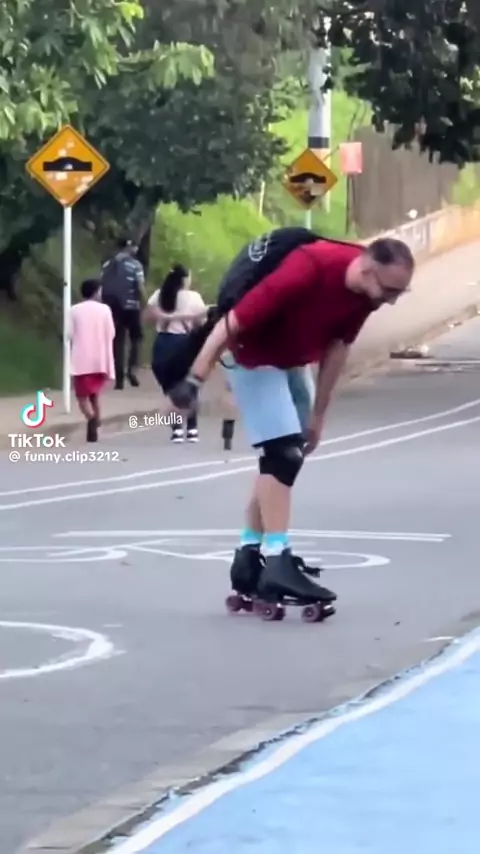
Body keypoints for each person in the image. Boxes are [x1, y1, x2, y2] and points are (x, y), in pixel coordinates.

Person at [168, 236, 415, 607]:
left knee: (284, 460)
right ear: (367, 269)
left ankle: (249, 556)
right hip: (251, 355)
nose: (391, 300)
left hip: (293, 360)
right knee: (281, 456)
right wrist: (195, 379)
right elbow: (230, 324)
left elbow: (338, 348)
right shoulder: (309, 267)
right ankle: (277, 559)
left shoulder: (365, 296)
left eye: (399, 292)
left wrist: (318, 416)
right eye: (390, 290)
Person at [144, 264, 207, 442]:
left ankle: (176, 430)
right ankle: (192, 429)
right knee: (190, 386)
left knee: (170, 389)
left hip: (163, 343)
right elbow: (201, 322)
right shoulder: (194, 297)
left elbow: (148, 317)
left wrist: (166, 318)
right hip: (184, 344)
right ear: (185, 279)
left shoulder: (158, 295)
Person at [69, 278, 115, 443]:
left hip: (81, 360)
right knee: (94, 394)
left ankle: (92, 419)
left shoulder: (74, 310)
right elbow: (111, 333)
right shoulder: (105, 310)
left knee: (82, 397)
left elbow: (69, 334)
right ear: (96, 292)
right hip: (100, 359)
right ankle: (96, 421)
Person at [101, 236, 146, 390]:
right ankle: (132, 369)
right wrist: (146, 304)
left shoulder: (107, 264)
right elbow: (140, 286)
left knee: (118, 341)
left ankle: (118, 378)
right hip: (132, 307)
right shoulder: (135, 265)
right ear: (130, 247)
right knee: (136, 338)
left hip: (113, 307)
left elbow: (102, 285)